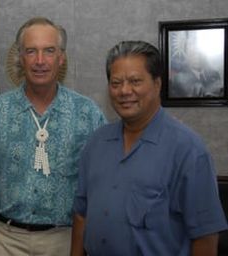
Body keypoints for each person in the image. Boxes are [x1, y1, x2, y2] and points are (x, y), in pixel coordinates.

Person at [71, 41, 228, 256]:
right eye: (116, 83)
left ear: (157, 84)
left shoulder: (189, 150)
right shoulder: (96, 143)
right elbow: (82, 214)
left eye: (135, 81)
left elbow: (205, 237)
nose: (125, 91)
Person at [0, 17, 107, 256]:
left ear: (61, 58)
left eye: (49, 51)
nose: (40, 61)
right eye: (31, 51)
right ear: (20, 58)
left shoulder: (87, 114)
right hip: (5, 240)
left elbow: (100, 185)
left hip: (64, 240)